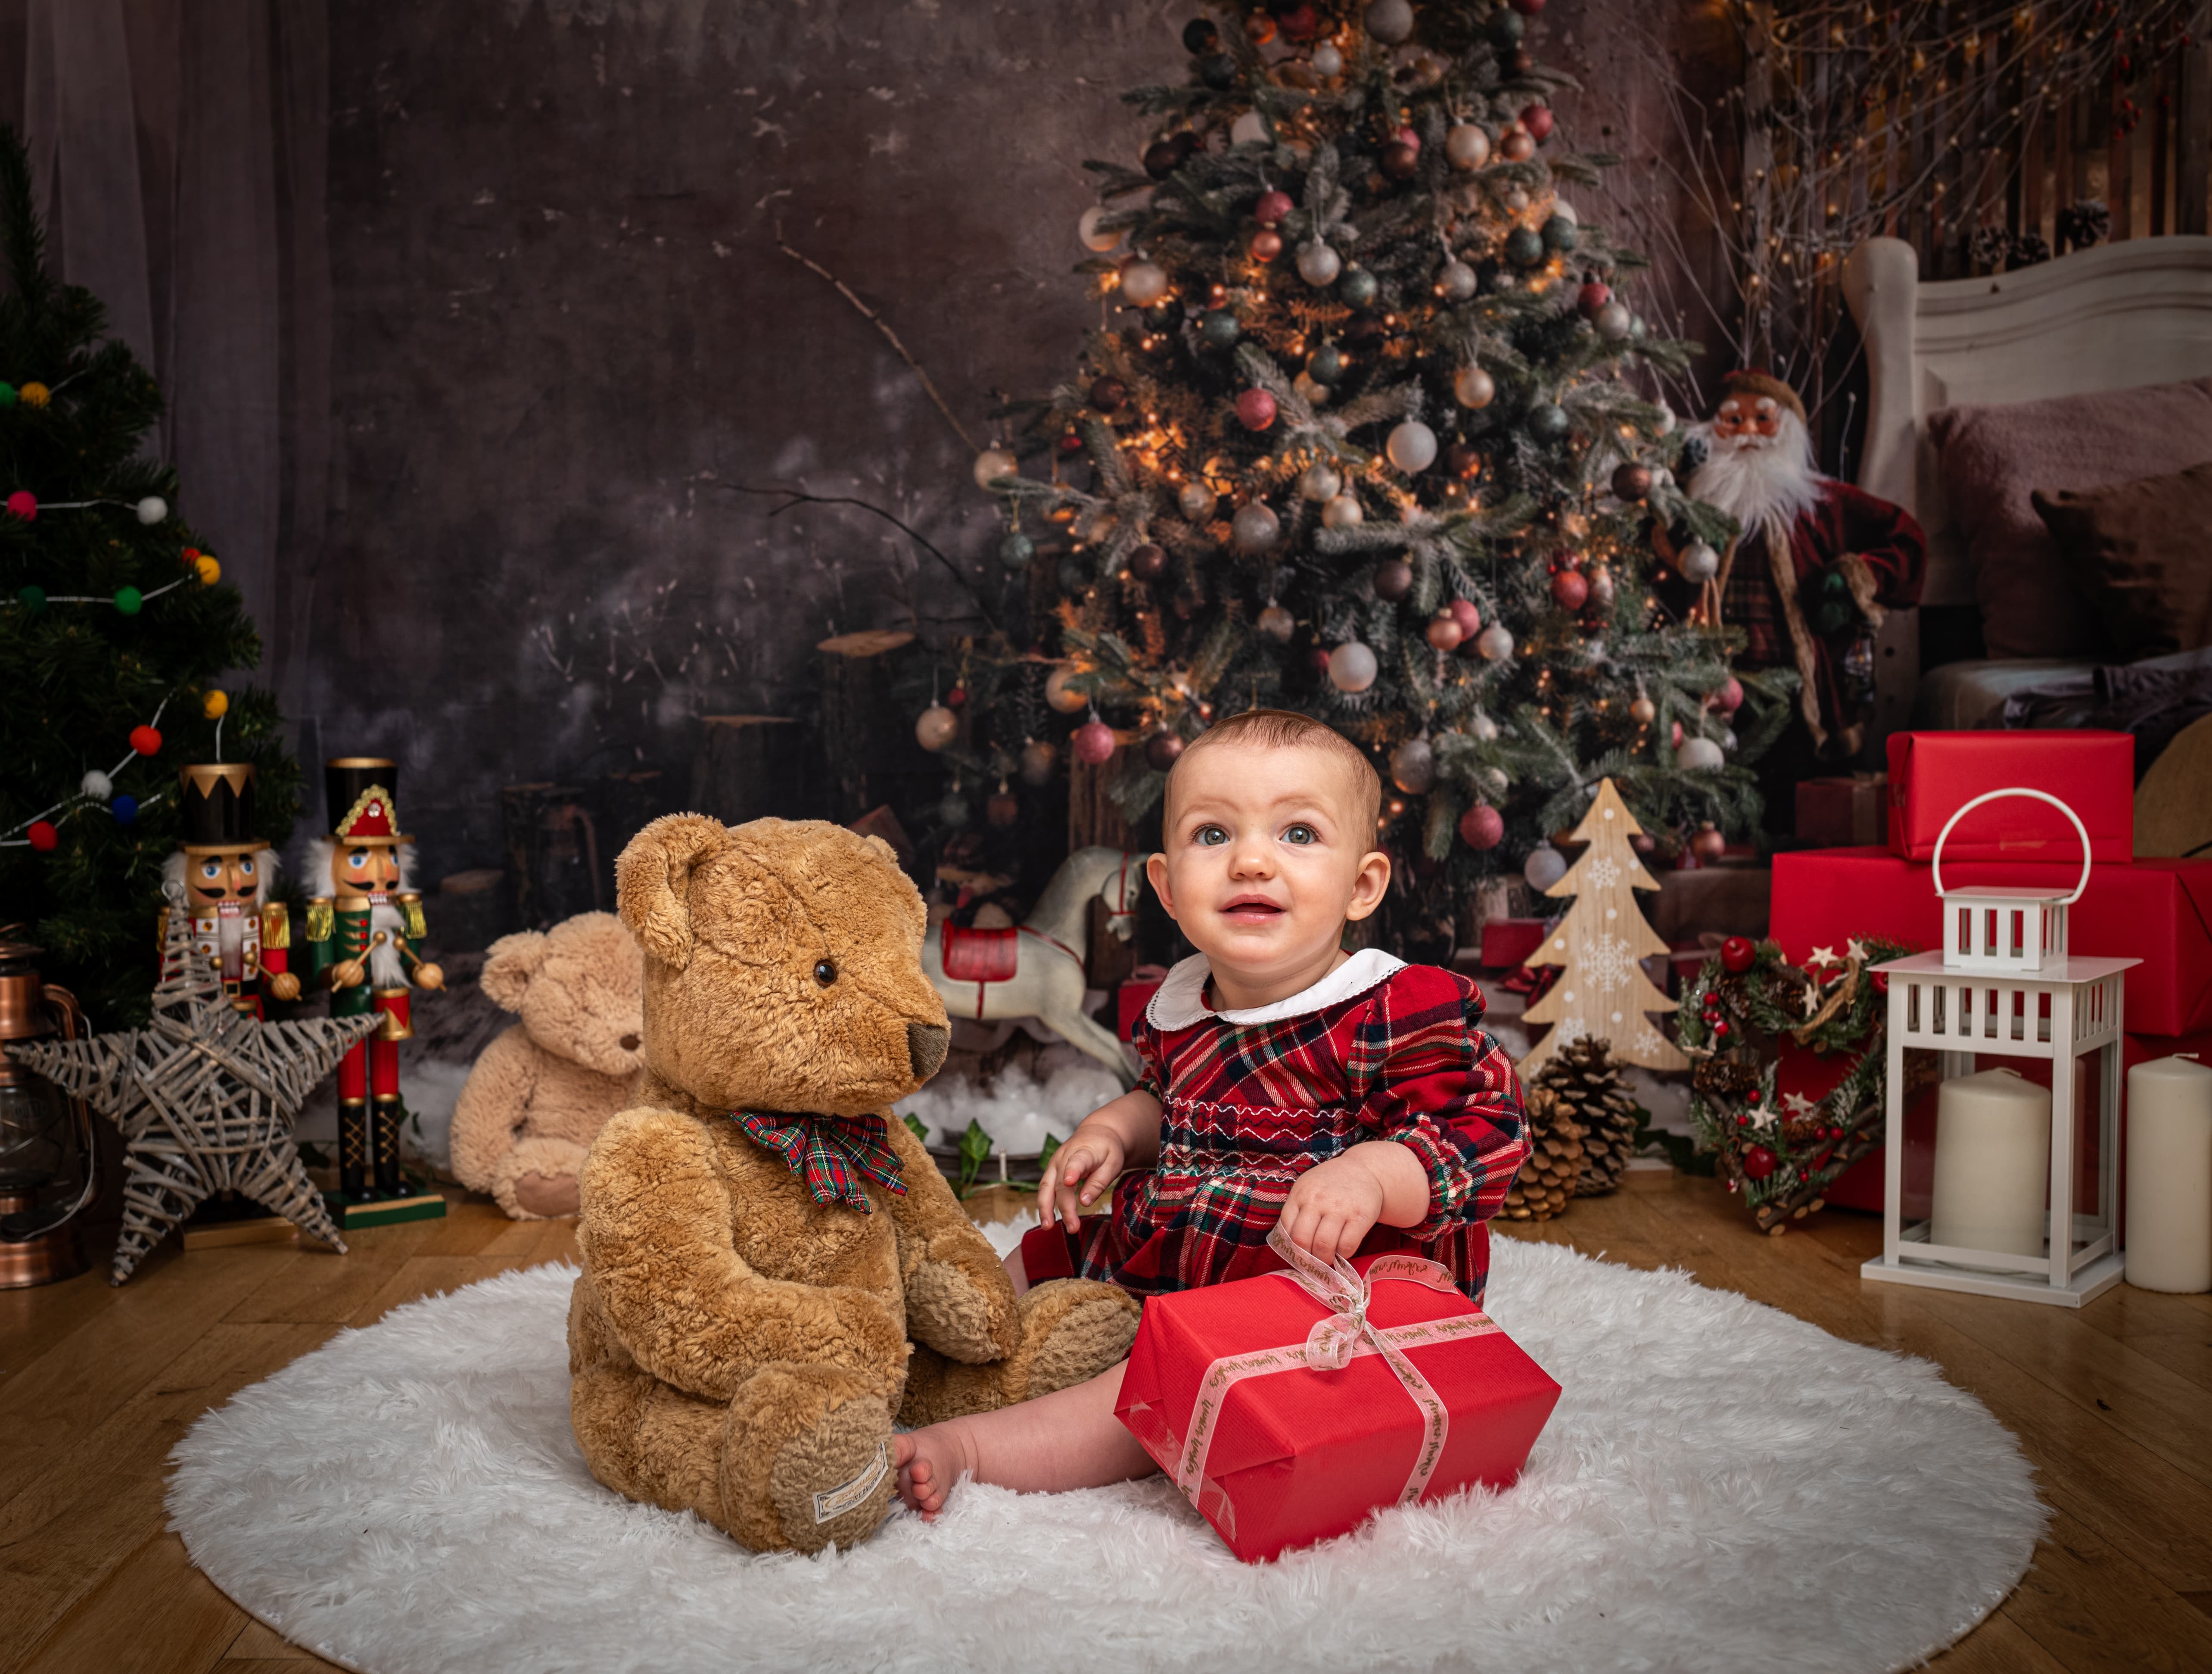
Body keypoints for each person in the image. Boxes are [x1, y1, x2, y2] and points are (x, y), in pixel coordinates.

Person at [893, 708, 1528, 1517]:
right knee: (1040, 1255)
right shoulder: (1185, 1000)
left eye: (1297, 834)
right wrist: (1114, 1133)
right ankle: (904, 1355)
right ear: (1165, 885)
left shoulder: (1388, 1009)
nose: (1253, 861)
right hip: (1195, 1231)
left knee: (1166, 1385)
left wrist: (1372, 1174)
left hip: (1319, 1278)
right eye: (1213, 835)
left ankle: (972, 1449)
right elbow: (1169, 1102)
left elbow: (1487, 1134)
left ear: (1363, 885)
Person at [1664, 369, 1925, 829]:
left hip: (1795, 692)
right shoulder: (1692, 505)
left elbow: (1906, 538)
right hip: (1705, 692)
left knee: (1794, 804)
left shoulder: (1820, 504)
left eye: (1762, 420)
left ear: (1786, 431)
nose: (1746, 432)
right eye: (1732, 420)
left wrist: (1852, 582)